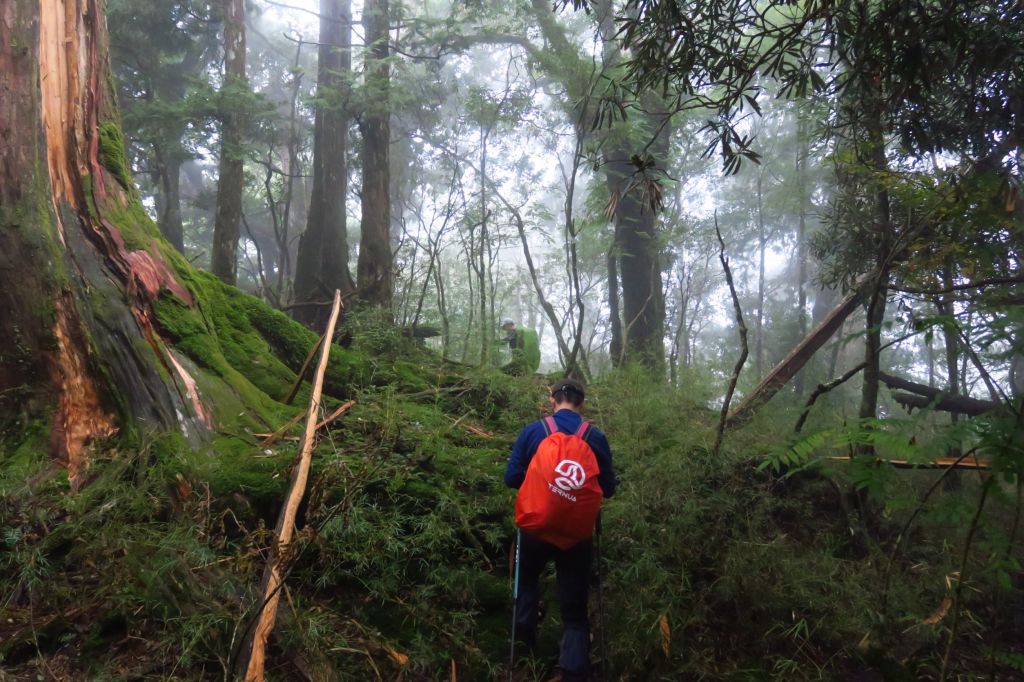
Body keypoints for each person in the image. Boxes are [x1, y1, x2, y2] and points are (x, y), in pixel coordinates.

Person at [504, 379, 617, 681]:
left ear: (552, 401)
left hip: (534, 528)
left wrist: (541, 482)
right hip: (576, 536)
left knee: (526, 581)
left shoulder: (534, 431)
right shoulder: (595, 437)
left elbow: (511, 478)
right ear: (582, 403)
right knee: (574, 608)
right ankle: (573, 669)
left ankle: (522, 652)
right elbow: (608, 489)